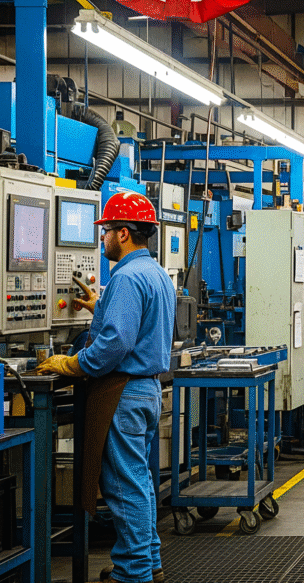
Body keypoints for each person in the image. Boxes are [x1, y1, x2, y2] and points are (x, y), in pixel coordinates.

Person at [37, 191, 175, 583]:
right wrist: (102, 305)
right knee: (139, 482)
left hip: (122, 393)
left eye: (107, 231)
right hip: (145, 391)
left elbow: (115, 344)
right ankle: (149, 563)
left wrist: (73, 363)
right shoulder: (154, 273)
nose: (103, 238)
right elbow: (137, 321)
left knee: (122, 486)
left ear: (125, 233)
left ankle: (132, 574)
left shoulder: (128, 277)